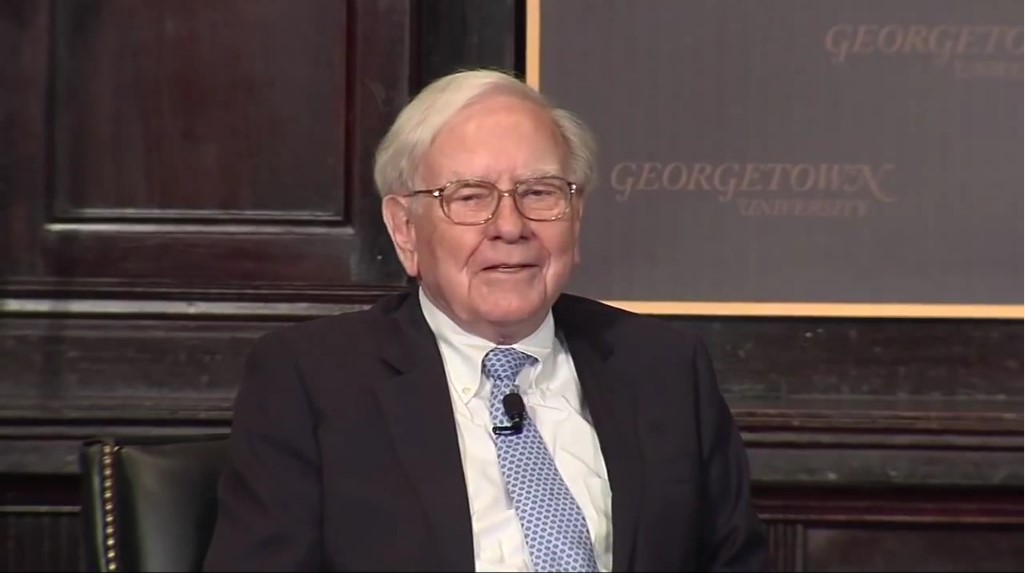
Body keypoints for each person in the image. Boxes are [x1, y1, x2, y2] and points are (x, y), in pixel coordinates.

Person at [204, 68, 769, 572]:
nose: (510, 226)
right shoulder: (313, 381)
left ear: (576, 219)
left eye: (539, 192)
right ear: (406, 230)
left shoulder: (664, 368)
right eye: (470, 197)